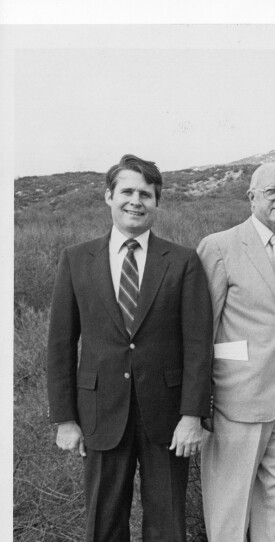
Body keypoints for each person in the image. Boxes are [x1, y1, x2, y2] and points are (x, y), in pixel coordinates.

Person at [46, 154, 213, 541]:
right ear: (109, 196)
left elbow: (198, 345)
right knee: (103, 524)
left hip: (168, 418)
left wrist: (192, 415)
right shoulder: (75, 259)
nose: (136, 200)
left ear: (157, 203)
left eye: (146, 194)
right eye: (127, 191)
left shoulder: (183, 261)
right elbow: (60, 344)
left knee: (168, 525)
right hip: (100, 414)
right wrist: (65, 418)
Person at [197, 162, 275, 541]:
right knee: (229, 510)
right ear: (251, 197)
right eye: (271, 191)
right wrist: (202, 400)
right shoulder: (220, 246)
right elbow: (203, 330)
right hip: (239, 399)